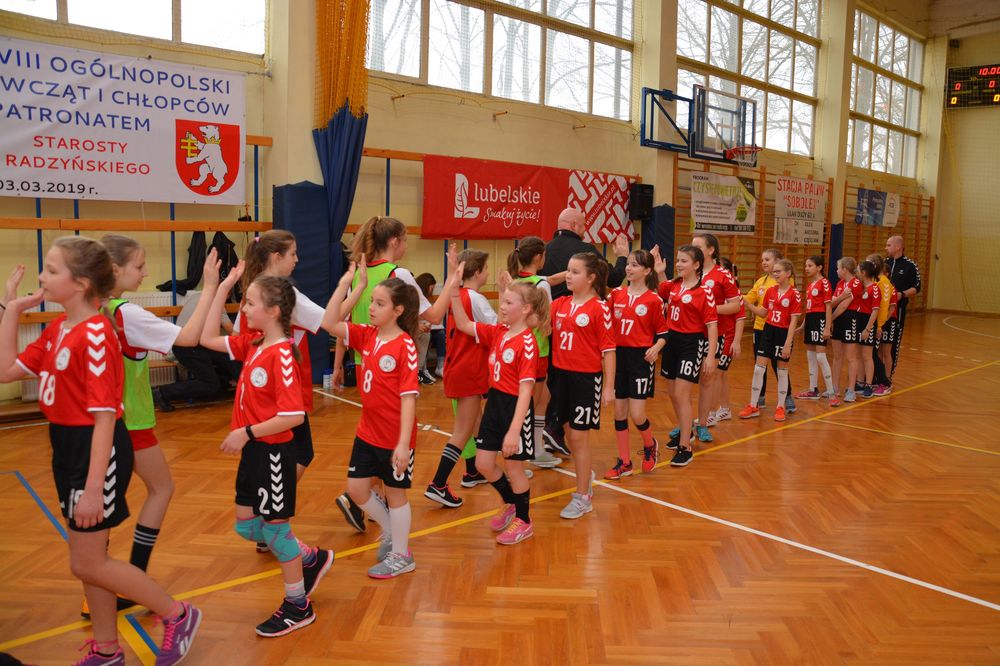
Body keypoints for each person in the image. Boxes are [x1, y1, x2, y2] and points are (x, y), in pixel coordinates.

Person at [0, 239, 201, 665]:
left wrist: (94, 489)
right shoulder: (58, 329)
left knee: (87, 563)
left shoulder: (95, 334)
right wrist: (12, 310)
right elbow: (5, 371)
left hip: (98, 451)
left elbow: (106, 418)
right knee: (89, 561)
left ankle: (177, 614)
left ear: (81, 283)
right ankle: (107, 649)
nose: (41, 276)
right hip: (66, 448)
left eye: (52, 269)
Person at [201, 267, 334, 637]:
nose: (244, 309)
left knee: (276, 532)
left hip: (273, 454)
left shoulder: (283, 354)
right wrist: (222, 287)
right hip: (254, 452)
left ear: (273, 311)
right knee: (247, 525)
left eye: (250, 303)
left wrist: (245, 432)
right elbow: (207, 337)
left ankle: (298, 605)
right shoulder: (253, 343)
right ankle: (310, 557)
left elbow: (293, 417)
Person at [94, 237, 224, 614]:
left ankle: (113, 582)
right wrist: (210, 287)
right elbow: (188, 338)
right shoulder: (125, 314)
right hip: (128, 423)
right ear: (114, 269)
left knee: (111, 505)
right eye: (139, 266)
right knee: (154, 491)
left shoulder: (91, 309)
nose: (146, 272)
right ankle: (127, 579)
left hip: (103, 424)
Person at [330, 216, 451, 533]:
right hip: (390, 364)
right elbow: (435, 314)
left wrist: (339, 363)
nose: (406, 246)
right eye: (406, 240)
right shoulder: (398, 276)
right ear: (395, 241)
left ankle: (373, 505)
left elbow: (343, 323)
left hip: (365, 362)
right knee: (389, 437)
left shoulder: (363, 274)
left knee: (376, 435)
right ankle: (371, 503)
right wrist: (453, 281)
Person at [234, 230, 328, 554]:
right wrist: (351, 291)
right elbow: (327, 319)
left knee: (282, 454)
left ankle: (269, 518)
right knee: (296, 454)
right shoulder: (282, 294)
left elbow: (236, 336)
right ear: (277, 257)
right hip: (280, 393)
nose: (297, 260)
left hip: (259, 391)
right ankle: (272, 519)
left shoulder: (254, 290)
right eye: (293, 254)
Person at [324, 271, 422, 578]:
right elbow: (329, 322)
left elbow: (409, 398)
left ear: (398, 310)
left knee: (395, 494)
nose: (371, 308)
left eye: (380, 303)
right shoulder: (367, 335)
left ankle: (402, 556)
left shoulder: (405, 346)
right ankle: (392, 530)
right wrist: (349, 285)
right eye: (372, 302)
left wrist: (403, 444)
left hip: (395, 437)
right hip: (367, 432)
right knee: (356, 489)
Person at [450, 277, 550, 544]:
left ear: (526, 308)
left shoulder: (527, 343)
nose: (502, 306)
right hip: (494, 402)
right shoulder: (498, 332)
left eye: (508, 302)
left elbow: (527, 390)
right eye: (502, 301)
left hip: (516, 408)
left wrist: (515, 430)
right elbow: (463, 324)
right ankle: (512, 503)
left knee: (514, 468)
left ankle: (524, 521)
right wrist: (454, 292)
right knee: (483, 463)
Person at [546, 253, 616, 518]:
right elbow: (539, 324)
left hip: (585, 380)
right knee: (568, 432)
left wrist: (608, 387)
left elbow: (609, 350)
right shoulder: (560, 303)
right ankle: (585, 475)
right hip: (560, 377)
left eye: (575, 272)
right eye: (568, 270)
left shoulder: (599, 308)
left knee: (578, 436)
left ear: (590, 278)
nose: (568, 275)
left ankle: (583, 497)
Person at [425, 248, 495, 507]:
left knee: (475, 422)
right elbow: (498, 329)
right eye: (486, 269)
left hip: (457, 367)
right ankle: (438, 483)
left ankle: (473, 471)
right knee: (462, 432)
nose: (488, 273)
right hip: (469, 370)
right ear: (477, 273)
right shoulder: (476, 299)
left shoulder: (455, 296)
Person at [651, 244, 718, 466]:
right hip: (672, 342)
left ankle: (685, 447)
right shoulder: (674, 285)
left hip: (691, 344)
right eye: (678, 260)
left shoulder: (704, 291)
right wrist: (660, 271)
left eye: (684, 261)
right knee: (672, 392)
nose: (678, 264)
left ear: (696, 265)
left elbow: (712, 325)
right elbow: (662, 290)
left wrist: (710, 356)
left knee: (682, 393)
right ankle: (685, 431)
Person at [605, 249, 667, 479]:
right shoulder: (616, 294)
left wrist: (656, 347)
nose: (629, 268)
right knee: (619, 412)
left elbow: (663, 333)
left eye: (635, 265)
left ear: (647, 270)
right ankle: (625, 462)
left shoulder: (654, 300)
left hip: (641, 359)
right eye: (628, 264)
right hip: (618, 356)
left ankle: (650, 445)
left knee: (637, 414)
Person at [504, 236, 563, 469]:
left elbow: (550, 279)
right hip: (537, 349)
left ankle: (536, 448)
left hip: (517, 347)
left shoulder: (517, 281)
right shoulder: (541, 285)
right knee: (532, 401)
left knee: (541, 398)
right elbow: (546, 321)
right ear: (539, 257)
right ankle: (523, 453)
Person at [686, 233, 741, 444]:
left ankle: (703, 423)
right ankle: (684, 423)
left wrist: (709, 309)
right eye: (692, 246)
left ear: (710, 250)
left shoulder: (723, 275)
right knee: (684, 382)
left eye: (698, 246)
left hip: (713, 335)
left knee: (707, 379)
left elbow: (735, 305)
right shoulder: (690, 272)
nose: (694, 250)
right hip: (689, 334)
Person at [740, 259, 801, 422]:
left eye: (778, 271)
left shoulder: (794, 294)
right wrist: (747, 304)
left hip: (783, 333)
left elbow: (793, 321)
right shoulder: (770, 291)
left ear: (788, 273)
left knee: (782, 371)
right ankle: (753, 405)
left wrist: (788, 343)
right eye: (774, 272)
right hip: (768, 330)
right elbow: (762, 313)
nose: (775, 274)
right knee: (758, 369)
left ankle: (780, 407)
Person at [540, 207, 629, 301]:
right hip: (580, 308)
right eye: (583, 225)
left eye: (575, 272)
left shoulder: (542, 251)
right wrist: (622, 256)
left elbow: (535, 281)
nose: (585, 229)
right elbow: (614, 279)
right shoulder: (586, 251)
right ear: (574, 225)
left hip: (546, 308)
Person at [881, 235, 921, 385]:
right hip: (881, 310)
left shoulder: (910, 265)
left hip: (897, 311)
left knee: (892, 343)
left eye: (888, 245)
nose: (886, 248)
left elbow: (916, 287)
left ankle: (888, 376)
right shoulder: (884, 263)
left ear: (898, 247)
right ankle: (877, 375)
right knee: (879, 344)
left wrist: (901, 295)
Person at [795, 255, 834, 400]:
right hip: (811, 319)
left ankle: (831, 391)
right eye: (806, 265)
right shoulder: (811, 285)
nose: (806, 268)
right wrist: (802, 326)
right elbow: (809, 309)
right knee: (810, 355)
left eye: (810, 265)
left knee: (820, 356)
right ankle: (813, 389)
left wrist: (827, 327)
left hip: (820, 319)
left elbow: (828, 306)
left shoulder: (824, 283)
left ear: (819, 267)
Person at [711, 257, 745, 424]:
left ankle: (710, 413)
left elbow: (740, 318)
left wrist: (736, 341)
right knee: (721, 375)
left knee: (717, 374)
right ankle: (725, 409)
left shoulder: (735, 294)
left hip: (728, 338)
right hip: (716, 336)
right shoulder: (714, 291)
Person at [831, 257, 864, 403]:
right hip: (838, 319)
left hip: (849, 319)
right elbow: (832, 302)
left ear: (845, 269)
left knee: (851, 357)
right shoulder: (840, 283)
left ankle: (851, 390)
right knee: (837, 356)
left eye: (838, 268)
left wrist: (830, 319)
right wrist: (841, 296)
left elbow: (844, 305)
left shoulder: (855, 283)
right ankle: (834, 388)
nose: (836, 271)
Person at [867, 253, 896, 396]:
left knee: (873, 353)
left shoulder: (883, 282)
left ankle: (885, 383)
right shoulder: (876, 281)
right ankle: (876, 380)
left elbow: (884, 307)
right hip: (873, 323)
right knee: (871, 353)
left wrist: (879, 326)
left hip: (878, 324)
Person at [856, 260, 882, 399]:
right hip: (859, 320)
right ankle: (860, 382)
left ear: (864, 272)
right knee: (859, 355)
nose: (856, 272)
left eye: (858, 270)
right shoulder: (861, 287)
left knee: (867, 355)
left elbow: (875, 310)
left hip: (868, 322)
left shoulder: (875, 288)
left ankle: (868, 384)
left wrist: (868, 329)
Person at [413, 272, 442, 384]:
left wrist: (428, 323)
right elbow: (407, 316)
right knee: (425, 334)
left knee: (436, 334)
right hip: (410, 327)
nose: (432, 290)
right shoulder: (413, 295)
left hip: (421, 325)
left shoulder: (424, 298)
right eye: (431, 288)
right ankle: (419, 370)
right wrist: (418, 324)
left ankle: (422, 369)